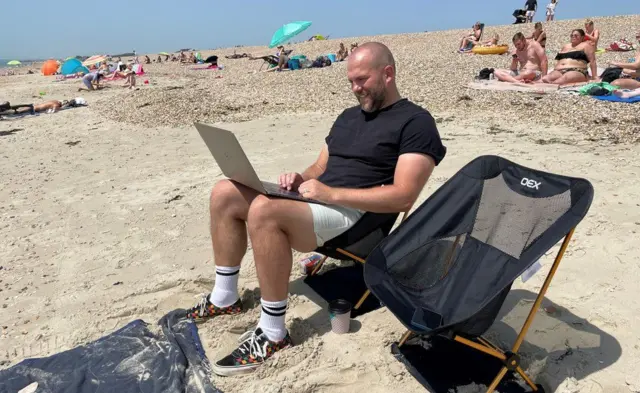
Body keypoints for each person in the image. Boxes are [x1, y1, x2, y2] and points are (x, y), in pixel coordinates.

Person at [183, 41, 446, 377]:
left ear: (388, 74)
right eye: (351, 81)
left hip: (354, 216)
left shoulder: (416, 123)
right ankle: (224, 297)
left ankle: (273, 333)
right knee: (224, 192)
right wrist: (298, 178)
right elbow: (318, 168)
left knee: (263, 210)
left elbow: (403, 196)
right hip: (319, 198)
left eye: (362, 80)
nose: (355, 88)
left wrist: (332, 194)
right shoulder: (348, 117)